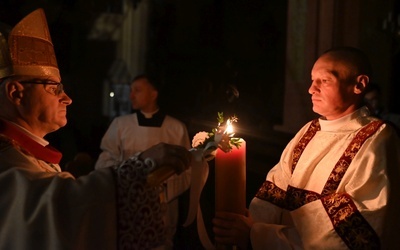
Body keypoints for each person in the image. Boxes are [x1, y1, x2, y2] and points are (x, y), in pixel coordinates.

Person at [0, 8, 191, 249]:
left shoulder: (24, 154)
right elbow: (53, 214)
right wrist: (139, 172)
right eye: (54, 88)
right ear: (16, 93)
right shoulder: (6, 159)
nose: (67, 98)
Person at [212, 46, 400, 249]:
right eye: (312, 80)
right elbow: (276, 190)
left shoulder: (378, 137)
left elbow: (358, 227)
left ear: (359, 84)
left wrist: (257, 235)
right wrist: (245, 225)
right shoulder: (309, 130)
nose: (312, 89)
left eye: (325, 80)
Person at [95, 74, 191, 249]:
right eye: (131, 91)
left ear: (154, 94)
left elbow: (186, 170)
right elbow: (104, 162)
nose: (131, 95)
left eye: (137, 90)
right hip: (126, 204)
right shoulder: (120, 125)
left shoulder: (176, 128)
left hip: (163, 208)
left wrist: (159, 191)